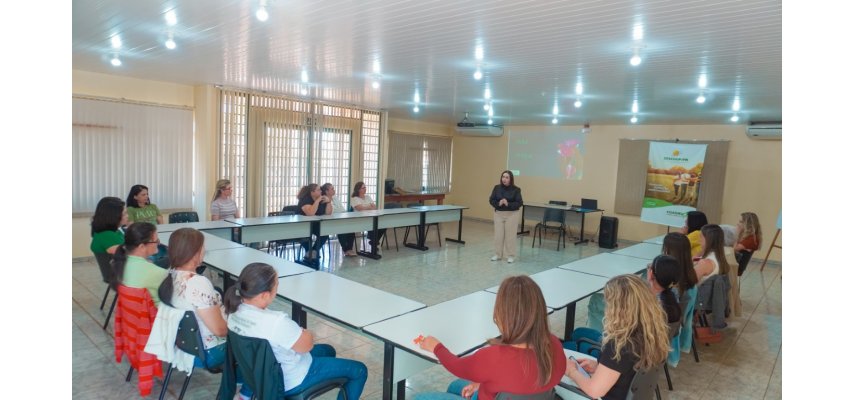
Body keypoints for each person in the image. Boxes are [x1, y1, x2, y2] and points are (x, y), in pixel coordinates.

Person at [225, 263, 368, 400]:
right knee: (359, 371)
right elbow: (307, 346)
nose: (277, 289)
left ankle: (245, 394)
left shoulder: (233, 312)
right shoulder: (276, 322)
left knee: (328, 350)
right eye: (276, 285)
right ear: (264, 295)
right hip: (288, 380)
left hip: (259, 375)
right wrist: (305, 333)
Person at [414, 275, 566, 400]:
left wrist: (436, 347)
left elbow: (456, 365)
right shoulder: (554, 344)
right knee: (455, 386)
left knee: (419, 397)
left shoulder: (492, 358)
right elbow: (521, 380)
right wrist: (483, 384)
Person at [564, 275, 670, 400]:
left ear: (618, 309)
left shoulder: (619, 345)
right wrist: (600, 368)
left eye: (609, 303)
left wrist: (571, 372)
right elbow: (626, 370)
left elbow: (594, 391)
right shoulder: (652, 333)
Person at [158, 228, 233, 379]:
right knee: (259, 345)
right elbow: (220, 331)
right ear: (195, 253)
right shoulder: (198, 283)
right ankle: (246, 388)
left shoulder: (169, 274)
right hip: (210, 352)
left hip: (185, 346)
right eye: (203, 247)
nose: (205, 250)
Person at [661, 233, 698, 365]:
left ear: (667, 252)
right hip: (675, 329)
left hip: (661, 331)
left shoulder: (671, 286)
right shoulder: (689, 279)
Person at [110, 222, 168, 305]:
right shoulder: (158, 272)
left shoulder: (120, 265)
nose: (158, 243)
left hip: (132, 312)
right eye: (156, 241)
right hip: (155, 312)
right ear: (142, 247)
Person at [694, 224, 741, 317]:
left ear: (708, 240)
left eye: (701, 238)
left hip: (697, 300)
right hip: (706, 300)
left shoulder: (706, 263)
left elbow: (688, 282)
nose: (699, 241)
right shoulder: (720, 258)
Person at [488, 170, 523, 263]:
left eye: (507, 177)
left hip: (512, 214)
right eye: (503, 177)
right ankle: (497, 254)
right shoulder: (497, 188)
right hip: (499, 214)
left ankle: (510, 255)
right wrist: (498, 203)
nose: (504, 179)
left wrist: (508, 204)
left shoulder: (516, 190)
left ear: (511, 179)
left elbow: (519, 203)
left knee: (510, 236)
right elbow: (491, 200)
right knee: (498, 235)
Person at [297, 183, 332, 267]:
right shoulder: (305, 199)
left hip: (315, 224)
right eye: (318, 190)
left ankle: (313, 251)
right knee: (305, 235)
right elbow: (310, 213)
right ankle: (309, 252)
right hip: (301, 226)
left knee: (324, 233)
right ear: (312, 192)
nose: (321, 191)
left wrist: (328, 202)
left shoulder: (321, 199)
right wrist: (317, 201)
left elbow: (328, 213)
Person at [321, 183, 357, 257]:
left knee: (351, 227)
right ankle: (346, 249)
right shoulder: (324, 199)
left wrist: (340, 212)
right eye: (332, 189)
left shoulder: (335, 198)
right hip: (329, 221)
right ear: (327, 191)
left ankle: (349, 248)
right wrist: (338, 211)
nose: (334, 190)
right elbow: (332, 211)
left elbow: (342, 209)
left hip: (340, 218)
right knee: (341, 227)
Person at [351, 181, 387, 250]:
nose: (365, 189)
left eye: (365, 187)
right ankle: (374, 242)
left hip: (371, 217)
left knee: (383, 226)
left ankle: (373, 241)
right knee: (373, 225)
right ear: (358, 189)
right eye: (363, 188)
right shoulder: (355, 198)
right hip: (360, 219)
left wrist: (365, 207)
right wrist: (369, 206)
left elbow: (375, 207)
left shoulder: (368, 197)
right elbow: (360, 208)